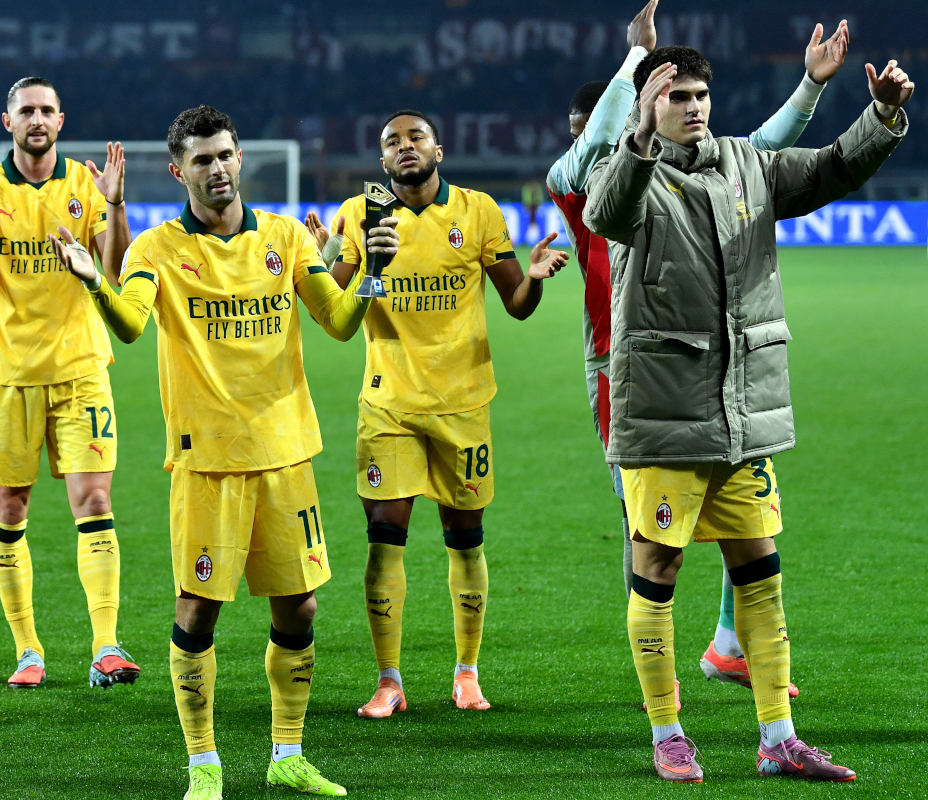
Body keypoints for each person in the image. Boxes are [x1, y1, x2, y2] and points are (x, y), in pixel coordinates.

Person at [583, 44, 911, 782]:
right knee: (657, 568)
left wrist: (883, 113)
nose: (694, 106)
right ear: (648, 107)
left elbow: (830, 168)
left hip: (742, 412)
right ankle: (668, 733)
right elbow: (606, 214)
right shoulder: (625, 170)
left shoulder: (748, 163)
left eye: (700, 93)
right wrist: (636, 135)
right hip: (665, 414)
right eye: (677, 97)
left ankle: (778, 737)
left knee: (760, 572)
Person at [49, 104, 395, 800]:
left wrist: (374, 273)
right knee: (196, 611)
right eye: (202, 160)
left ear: (241, 159)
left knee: (298, 609)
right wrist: (94, 279)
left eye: (226, 155)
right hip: (206, 461)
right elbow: (130, 326)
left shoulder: (285, 239)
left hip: (285, 455)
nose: (218, 169)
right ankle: (203, 764)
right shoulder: (154, 250)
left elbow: (336, 321)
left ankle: (287, 754)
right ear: (179, 171)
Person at [550, 1, 850, 703]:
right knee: (650, 534)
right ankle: (659, 675)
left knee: (738, 521)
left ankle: (722, 644)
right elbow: (599, 139)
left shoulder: (690, 166)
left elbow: (765, 143)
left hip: (707, 369)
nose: (590, 134)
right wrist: (633, 63)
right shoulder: (579, 180)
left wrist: (810, 86)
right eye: (663, 98)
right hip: (623, 373)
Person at [305, 110, 569, 717]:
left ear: (439, 149)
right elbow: (335, 316)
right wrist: (327, 261)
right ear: (381, 161)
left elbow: (517, 305)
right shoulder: (360, 212)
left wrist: (532, 278)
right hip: (389, 405)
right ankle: (390, 680)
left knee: (465, 542)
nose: (404, 147)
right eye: (391, 142)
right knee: (384, 543)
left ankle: (467, 671)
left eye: (415, 137)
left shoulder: (478, 211)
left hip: (462, 404)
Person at [0, 76, 135, 689]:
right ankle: (29, 650)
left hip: (81, 369)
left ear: (61, 119)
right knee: (8, 506)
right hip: (10, 374)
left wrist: (116, 204)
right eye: (26, 110)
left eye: (47, 110)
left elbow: (115, 267)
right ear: (8, 122)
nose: (37, 119)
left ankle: (106, 646)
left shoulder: (86, 184)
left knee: (95, 502)